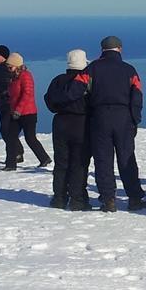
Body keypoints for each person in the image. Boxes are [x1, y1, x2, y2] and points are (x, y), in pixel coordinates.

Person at [74, 36, 146, 212]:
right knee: (127, 158)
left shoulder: (91, 68)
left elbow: (75, 89)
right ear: (120, 49)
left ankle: (108, 200)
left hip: (99, 117)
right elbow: (137, 95)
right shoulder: (129, 70)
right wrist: (134, 118)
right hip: (123, 118)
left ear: (102, 50)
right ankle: (134, 198)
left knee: (103, 160)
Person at [44, 49, 93, 210]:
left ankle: (59, 198)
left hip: (61, 122)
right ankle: (78, 199)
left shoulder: (58, 81)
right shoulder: (87, 81)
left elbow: (49, 101)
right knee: (79, 163)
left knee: (61, 162)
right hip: (82, 123)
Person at [4, 52, 53, 171]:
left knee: (30, 138)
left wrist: (18, 110)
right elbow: (14, 93)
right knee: (11, 137)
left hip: (28, 113)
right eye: (8, 67)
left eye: (10, 66)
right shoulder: (13, 77)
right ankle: (10, 165)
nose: (8, 69)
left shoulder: (26, 75)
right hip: (16, 113)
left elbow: (27, 94)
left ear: (17, 65)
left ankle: (44, 158)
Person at [0, 44, 24, 168]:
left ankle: (16, 154)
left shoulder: (11, 68)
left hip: (11, 104)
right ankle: (17, 151)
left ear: (4, 56)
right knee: (4, 130)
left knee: (6, 129)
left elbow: (18, 83)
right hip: (1, 103)